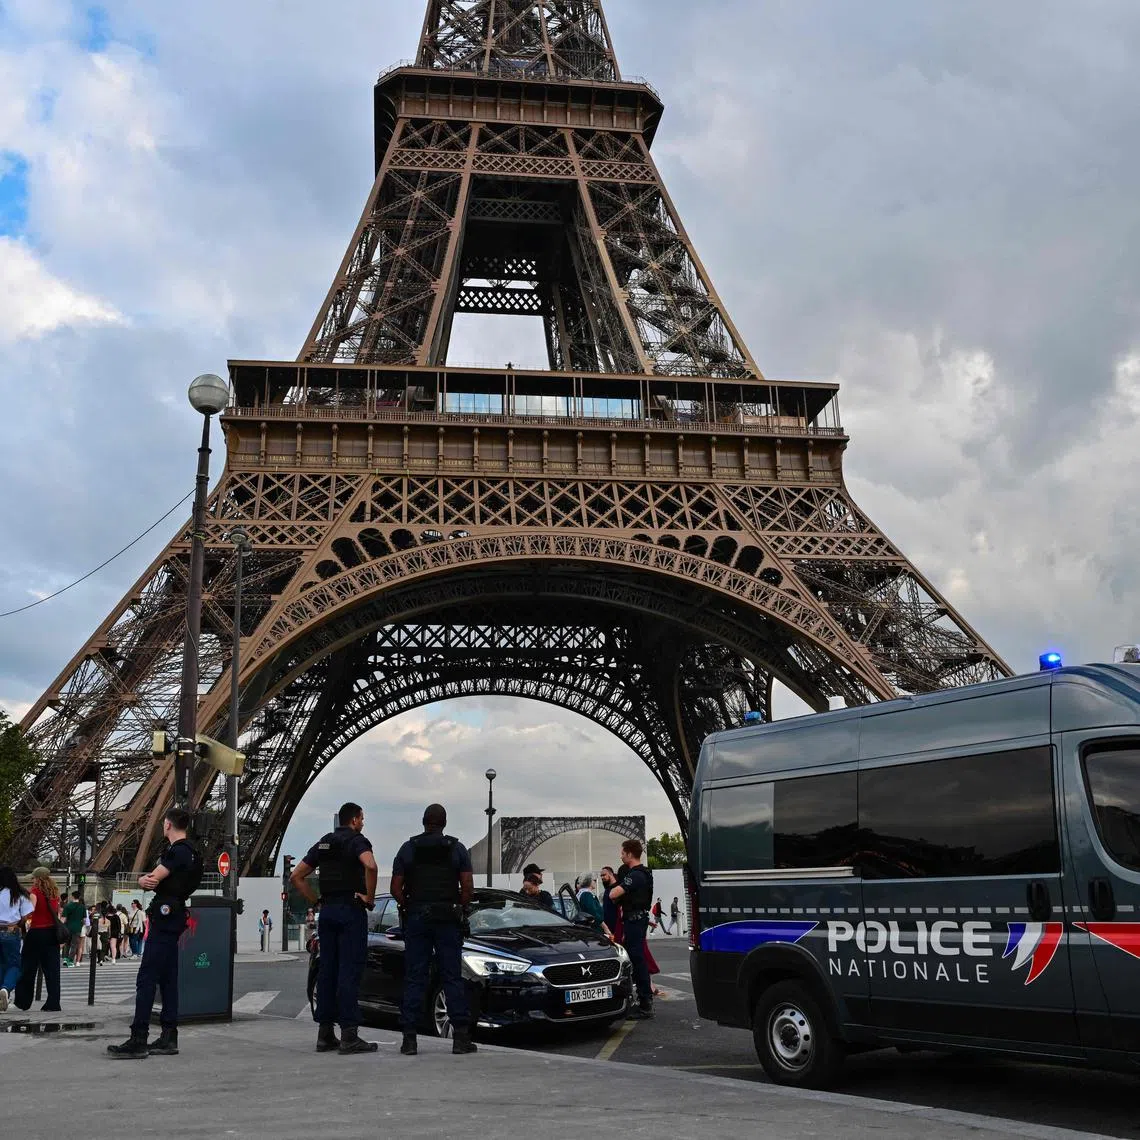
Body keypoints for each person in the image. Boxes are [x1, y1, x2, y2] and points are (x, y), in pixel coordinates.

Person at [107, 807, 203, 1060]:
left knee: (147, 977)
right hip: (177, 911)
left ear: (168, 825)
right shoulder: (194, 853)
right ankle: (169, 1036)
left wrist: (142, 881)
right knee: (169, 978)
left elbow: (153, 878)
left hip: (164, 914)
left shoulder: (177, 851)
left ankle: (139, 1038)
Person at [291, 802, 379, 1055]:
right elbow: (371, 865)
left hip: (327, 912)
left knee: (327, 971)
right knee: (349, 971)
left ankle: (325, 1034)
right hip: (350, 911)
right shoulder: (357, 841)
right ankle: (349, 1035)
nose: (362, 823)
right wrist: (369, 897)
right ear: (353, 820)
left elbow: (296, 876)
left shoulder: (323, 844)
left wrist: (316, 900)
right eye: (362, 818)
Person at [391, 803, 476, 1057]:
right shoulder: (456, 848)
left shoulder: (409, 848)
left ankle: (409, 1039)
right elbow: (468, 889)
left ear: (423, 822)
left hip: (418, 916)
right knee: (452, 976)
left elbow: (396, 888)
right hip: (447, 917)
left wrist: (411, 904)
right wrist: (454, 906)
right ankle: (460, 1037)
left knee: (415, 976)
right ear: (444, 823)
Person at [607, 839, 654, 1019]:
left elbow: (613, 894)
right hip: (636, 919)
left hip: (634, 920)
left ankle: (645, 1003)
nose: (621, 856)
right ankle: (644, 1000)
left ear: (629, 853)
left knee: (636, 958)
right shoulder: (642, 874)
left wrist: (617, 892)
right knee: (636, 957)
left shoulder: (635, 875)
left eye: (622, 852)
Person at [14, 867, 63, 1013]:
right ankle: (53, 1002)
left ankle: (23, 1001)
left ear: (39, 879)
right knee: (52, 970)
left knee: (28, 967)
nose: (32, 880)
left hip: (37, 932)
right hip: (52, 934)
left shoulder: (34, 893)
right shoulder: (55, 894)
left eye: (34, 878)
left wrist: (19, 921)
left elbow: (30, 912)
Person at [0, 866, 34, 1012]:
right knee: (14, 965)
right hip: (11, 931)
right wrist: (18, 921)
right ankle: (6, 989)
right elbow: (27, 914)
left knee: (1, 964)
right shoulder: (19, 895)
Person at [62, 891, 86, 967]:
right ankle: (70, 961)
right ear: (79, 897)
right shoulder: (82, 907)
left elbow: (64, 919)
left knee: (67, 944)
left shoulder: (67, 906)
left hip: (68, 927)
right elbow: (84, 920)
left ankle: (65, 958)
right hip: (77, 928)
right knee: (74, 945)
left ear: (72, 897)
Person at [600, 865, 623, 945]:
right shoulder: (607, 889)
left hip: (617, 928)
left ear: (611, 874)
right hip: (608, 929)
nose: (602, 877)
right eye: (601, 876)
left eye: (604, 875)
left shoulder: (618, 889)